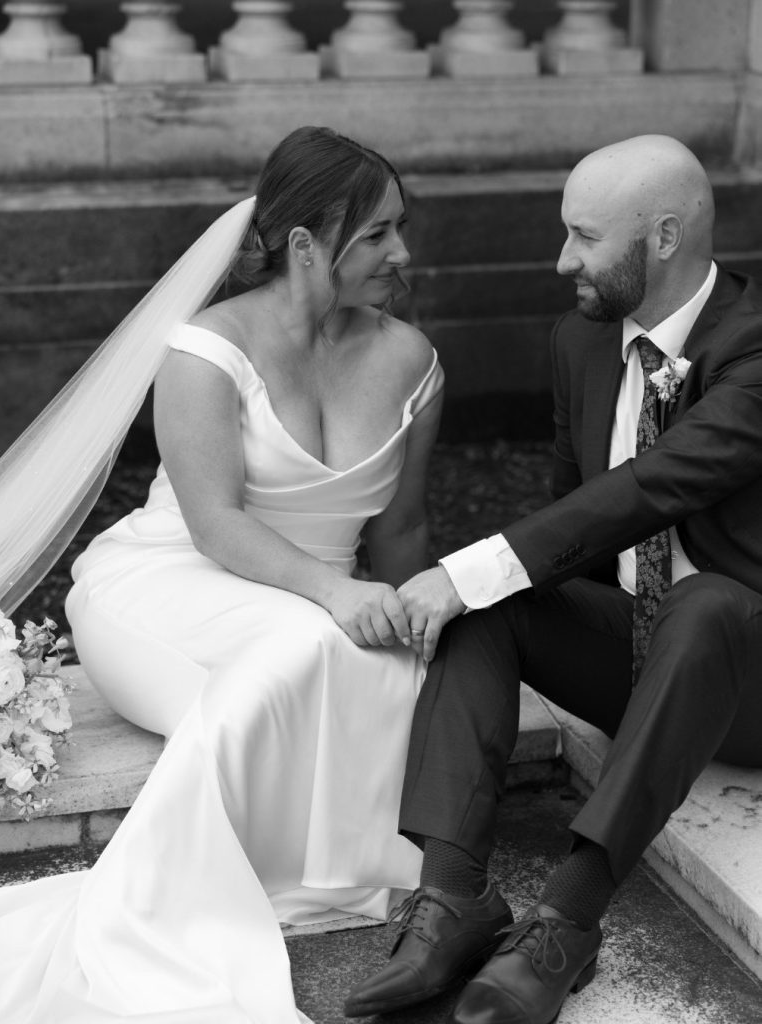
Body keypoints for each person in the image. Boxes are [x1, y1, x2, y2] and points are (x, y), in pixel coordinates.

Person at [0, 126, 444, 1023]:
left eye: (398, 228)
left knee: (375, 665)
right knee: (306, 644)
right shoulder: (206, 352)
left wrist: (425, 621)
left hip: (323, 605)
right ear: (304, 245)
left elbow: (402, 527)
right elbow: (213, 523)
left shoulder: (411, 360)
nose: (400, 254)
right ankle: (158, 908)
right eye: (375, 235)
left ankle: (322, 873)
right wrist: (337, 593)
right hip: (171, 582)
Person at [344, 134, 762, 1024]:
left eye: (583, 237)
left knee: (706, 601)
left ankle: (568, 921)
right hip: (643, 656)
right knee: (490, 603)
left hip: (746, 674)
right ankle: (454, 895)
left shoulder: (756, 346)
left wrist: (466, 566)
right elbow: (572, 524)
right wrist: (475, 583)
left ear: (661, 237)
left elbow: (656, 485)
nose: (561, 259)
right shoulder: (579, 340)